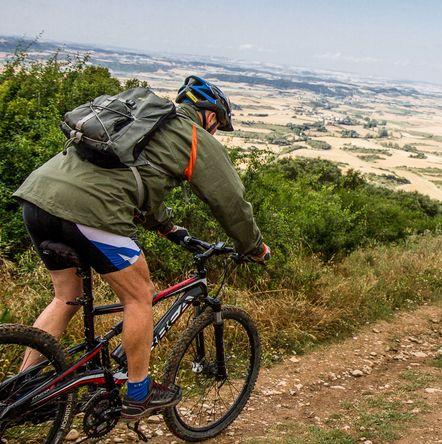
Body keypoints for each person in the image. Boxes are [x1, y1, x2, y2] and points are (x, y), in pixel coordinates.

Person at [12, 76, 269, 420]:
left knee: (66, 297)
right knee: (139, 296)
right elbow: (230, 203)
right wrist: (254, 247)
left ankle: (22, 392)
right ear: (210, 116)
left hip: (38, 198)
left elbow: (135, 181)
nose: (217, 132)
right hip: (90, 212)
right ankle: (139, 392)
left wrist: (167, 227)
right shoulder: (194, 138)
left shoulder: (141, 122)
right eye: (219, 125)